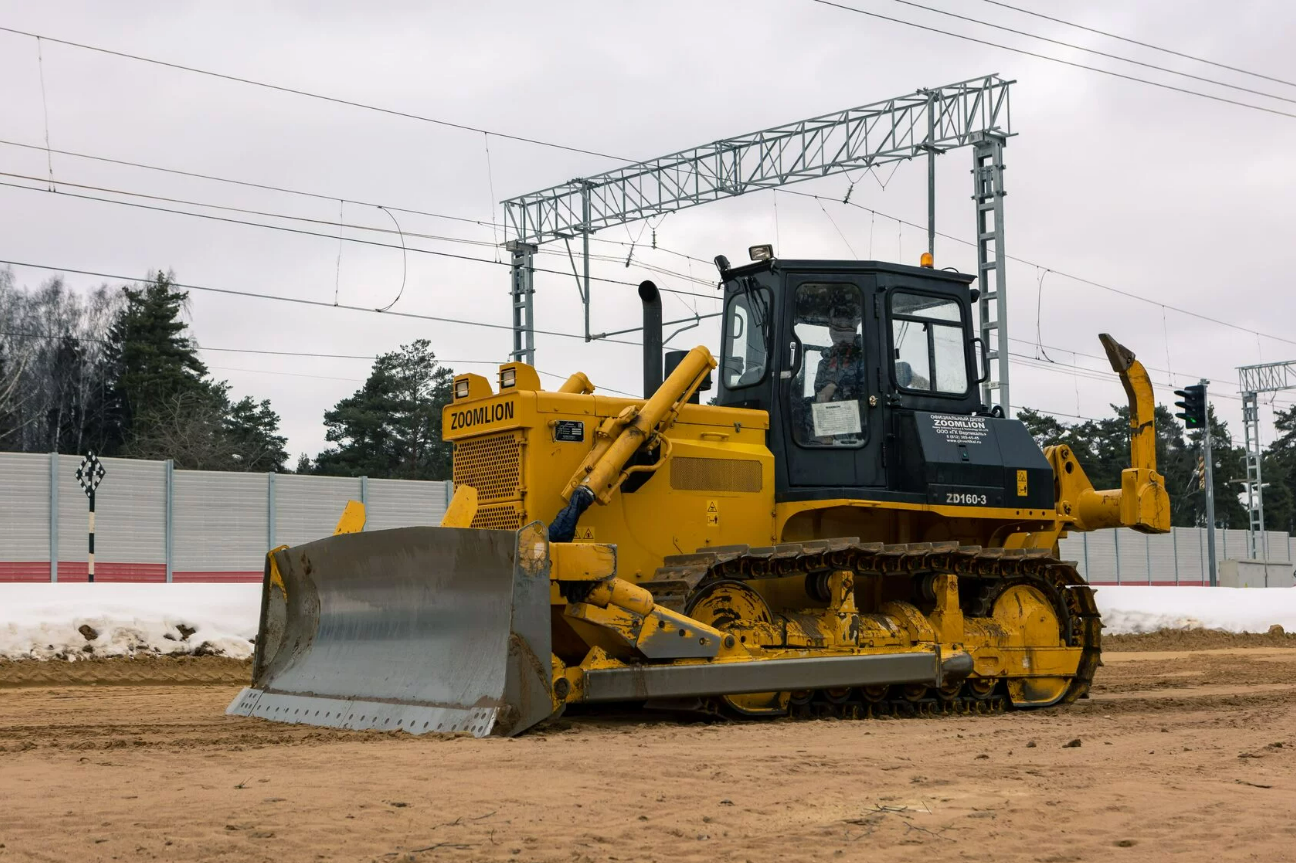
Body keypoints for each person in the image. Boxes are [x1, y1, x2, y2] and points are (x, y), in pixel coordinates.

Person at [814, 305, 866, 403]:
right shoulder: (824, 363)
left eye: (845, 329)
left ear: (853, 330)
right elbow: (818, 398)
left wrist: (833, 386)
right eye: (835, 329)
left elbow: (867, 395)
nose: (839, 336)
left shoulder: (863, 358)